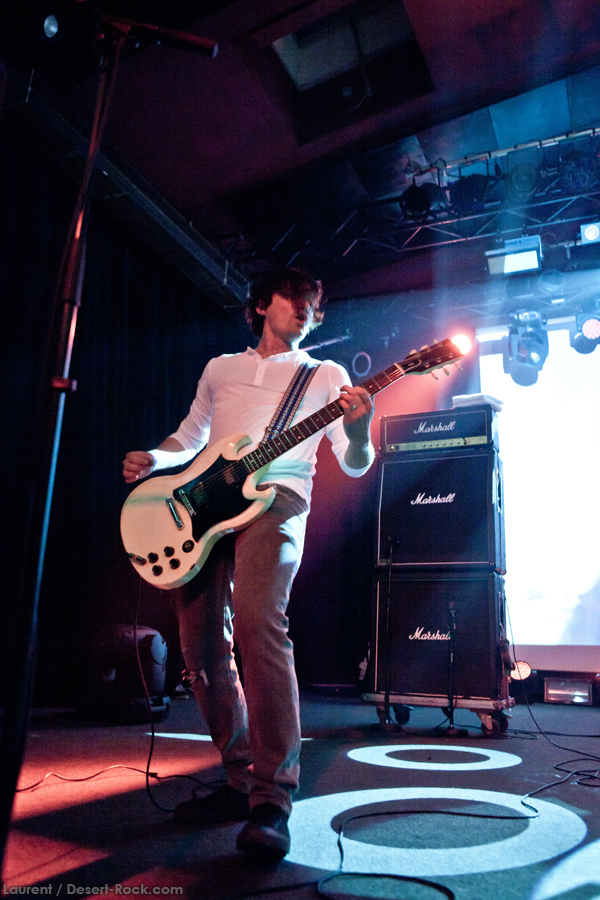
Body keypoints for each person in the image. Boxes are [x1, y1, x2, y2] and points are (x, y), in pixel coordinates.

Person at [122, 268, 375, 862]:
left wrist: (360, 431)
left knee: (260, 622)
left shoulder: (326, 374)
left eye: (314, 304)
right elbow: (190, 437)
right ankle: (240, 778)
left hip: (278, 500)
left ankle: (272, 798)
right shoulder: (221, 368)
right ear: (262, 303)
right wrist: (154, 457)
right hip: (205, 503)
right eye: (296, 298)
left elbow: (355, 462)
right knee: (200, 647)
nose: (306, 309)